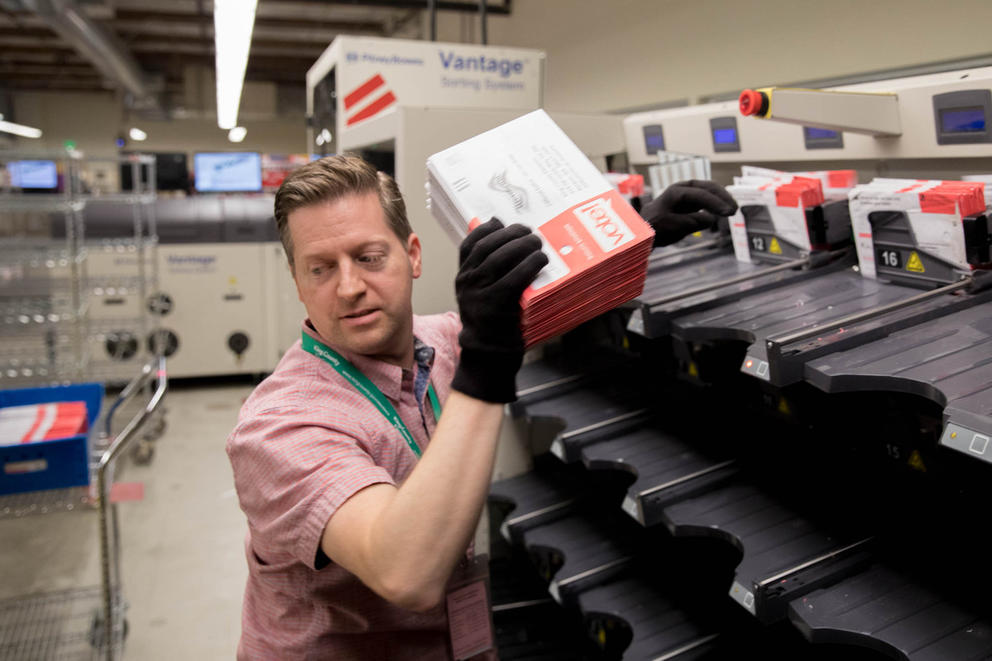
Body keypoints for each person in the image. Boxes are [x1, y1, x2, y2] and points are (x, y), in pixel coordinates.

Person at [226, 154, 736, 660]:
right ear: (297, 282)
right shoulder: (279, 427)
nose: (349, 287)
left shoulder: (436, 341)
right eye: (320, 269)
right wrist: (488, 359)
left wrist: (635, 233)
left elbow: (539, 317)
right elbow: (405, 571)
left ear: (414, 256)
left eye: (368, 257)